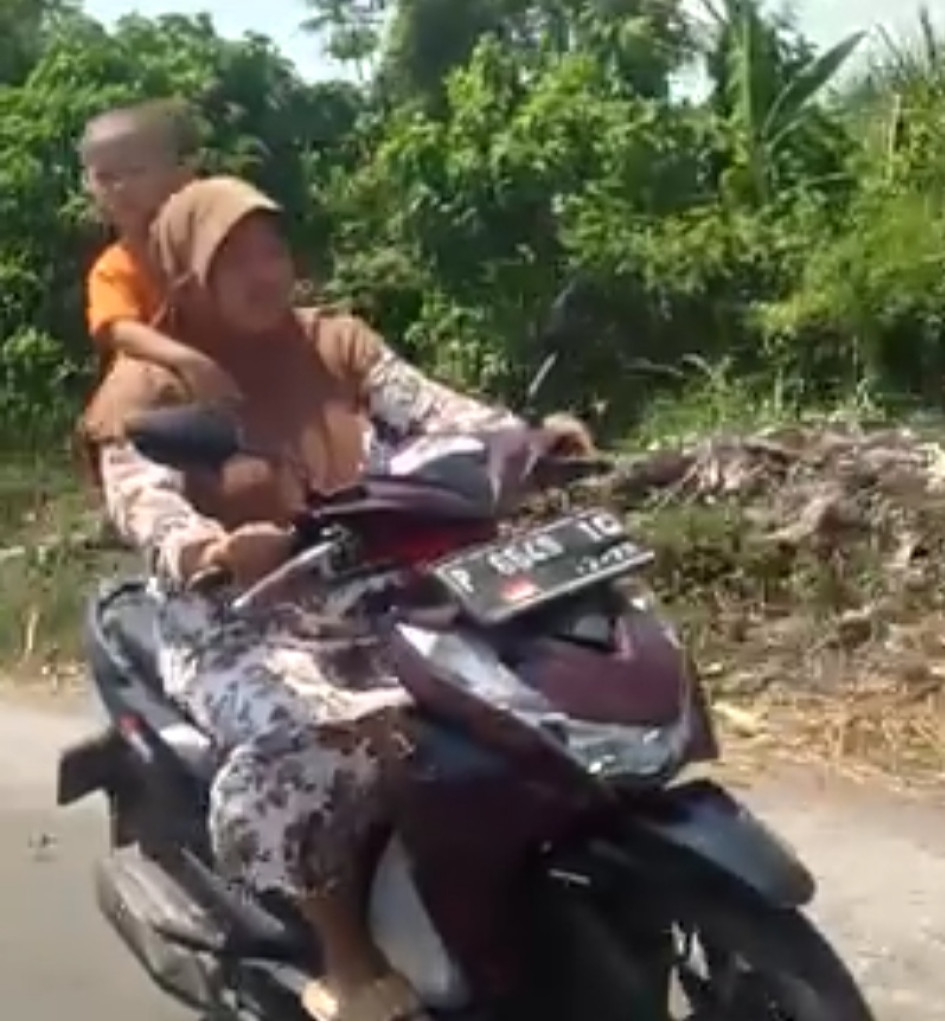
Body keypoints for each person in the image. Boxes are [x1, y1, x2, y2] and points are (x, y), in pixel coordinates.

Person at [79, 175, 594, 1021]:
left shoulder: (333, 339)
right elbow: (143, 497)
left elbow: (435, 410)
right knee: (318, 743)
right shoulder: (149, 383)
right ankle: (346, 956)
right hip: (237, 614)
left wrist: (524, 441)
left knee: (517, 687)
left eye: (272, 250)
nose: (264, 273)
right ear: (187, 275)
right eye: (234, 260)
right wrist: (207, 547)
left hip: (376, 581)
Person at [81, 98, 239, 401]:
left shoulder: (216, 242)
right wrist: (187, 361)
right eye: (105, 178)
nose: (120, 188)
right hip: (164, 394)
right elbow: (120, 329)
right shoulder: (114, 267)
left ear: (182, 174)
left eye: (136, 172)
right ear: (88, 185)